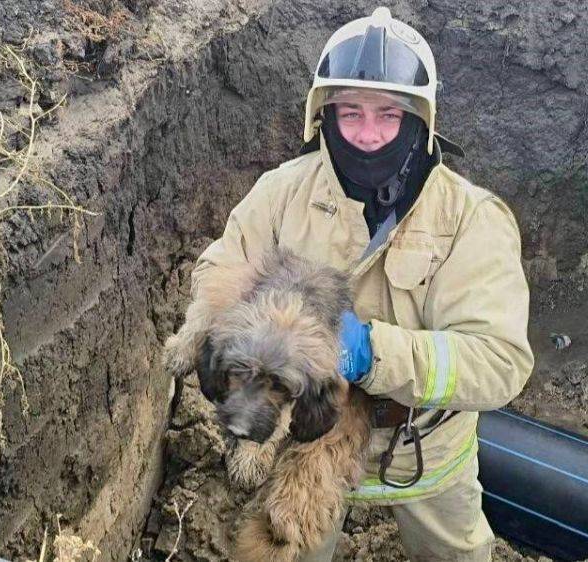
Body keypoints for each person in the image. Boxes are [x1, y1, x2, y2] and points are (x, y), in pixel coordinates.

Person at [189, 7, 534, 561]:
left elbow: (500, 362)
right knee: (288, 545)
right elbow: (215, 273)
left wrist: (374, 352)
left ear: (419, 120)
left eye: (387, 115)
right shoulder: (283, 192)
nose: (368, 136)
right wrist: (264, 325)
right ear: (324, 116)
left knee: (458, 554)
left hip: (425, 447)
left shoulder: (472, 217)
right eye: (350, 113)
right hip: (306, 441)